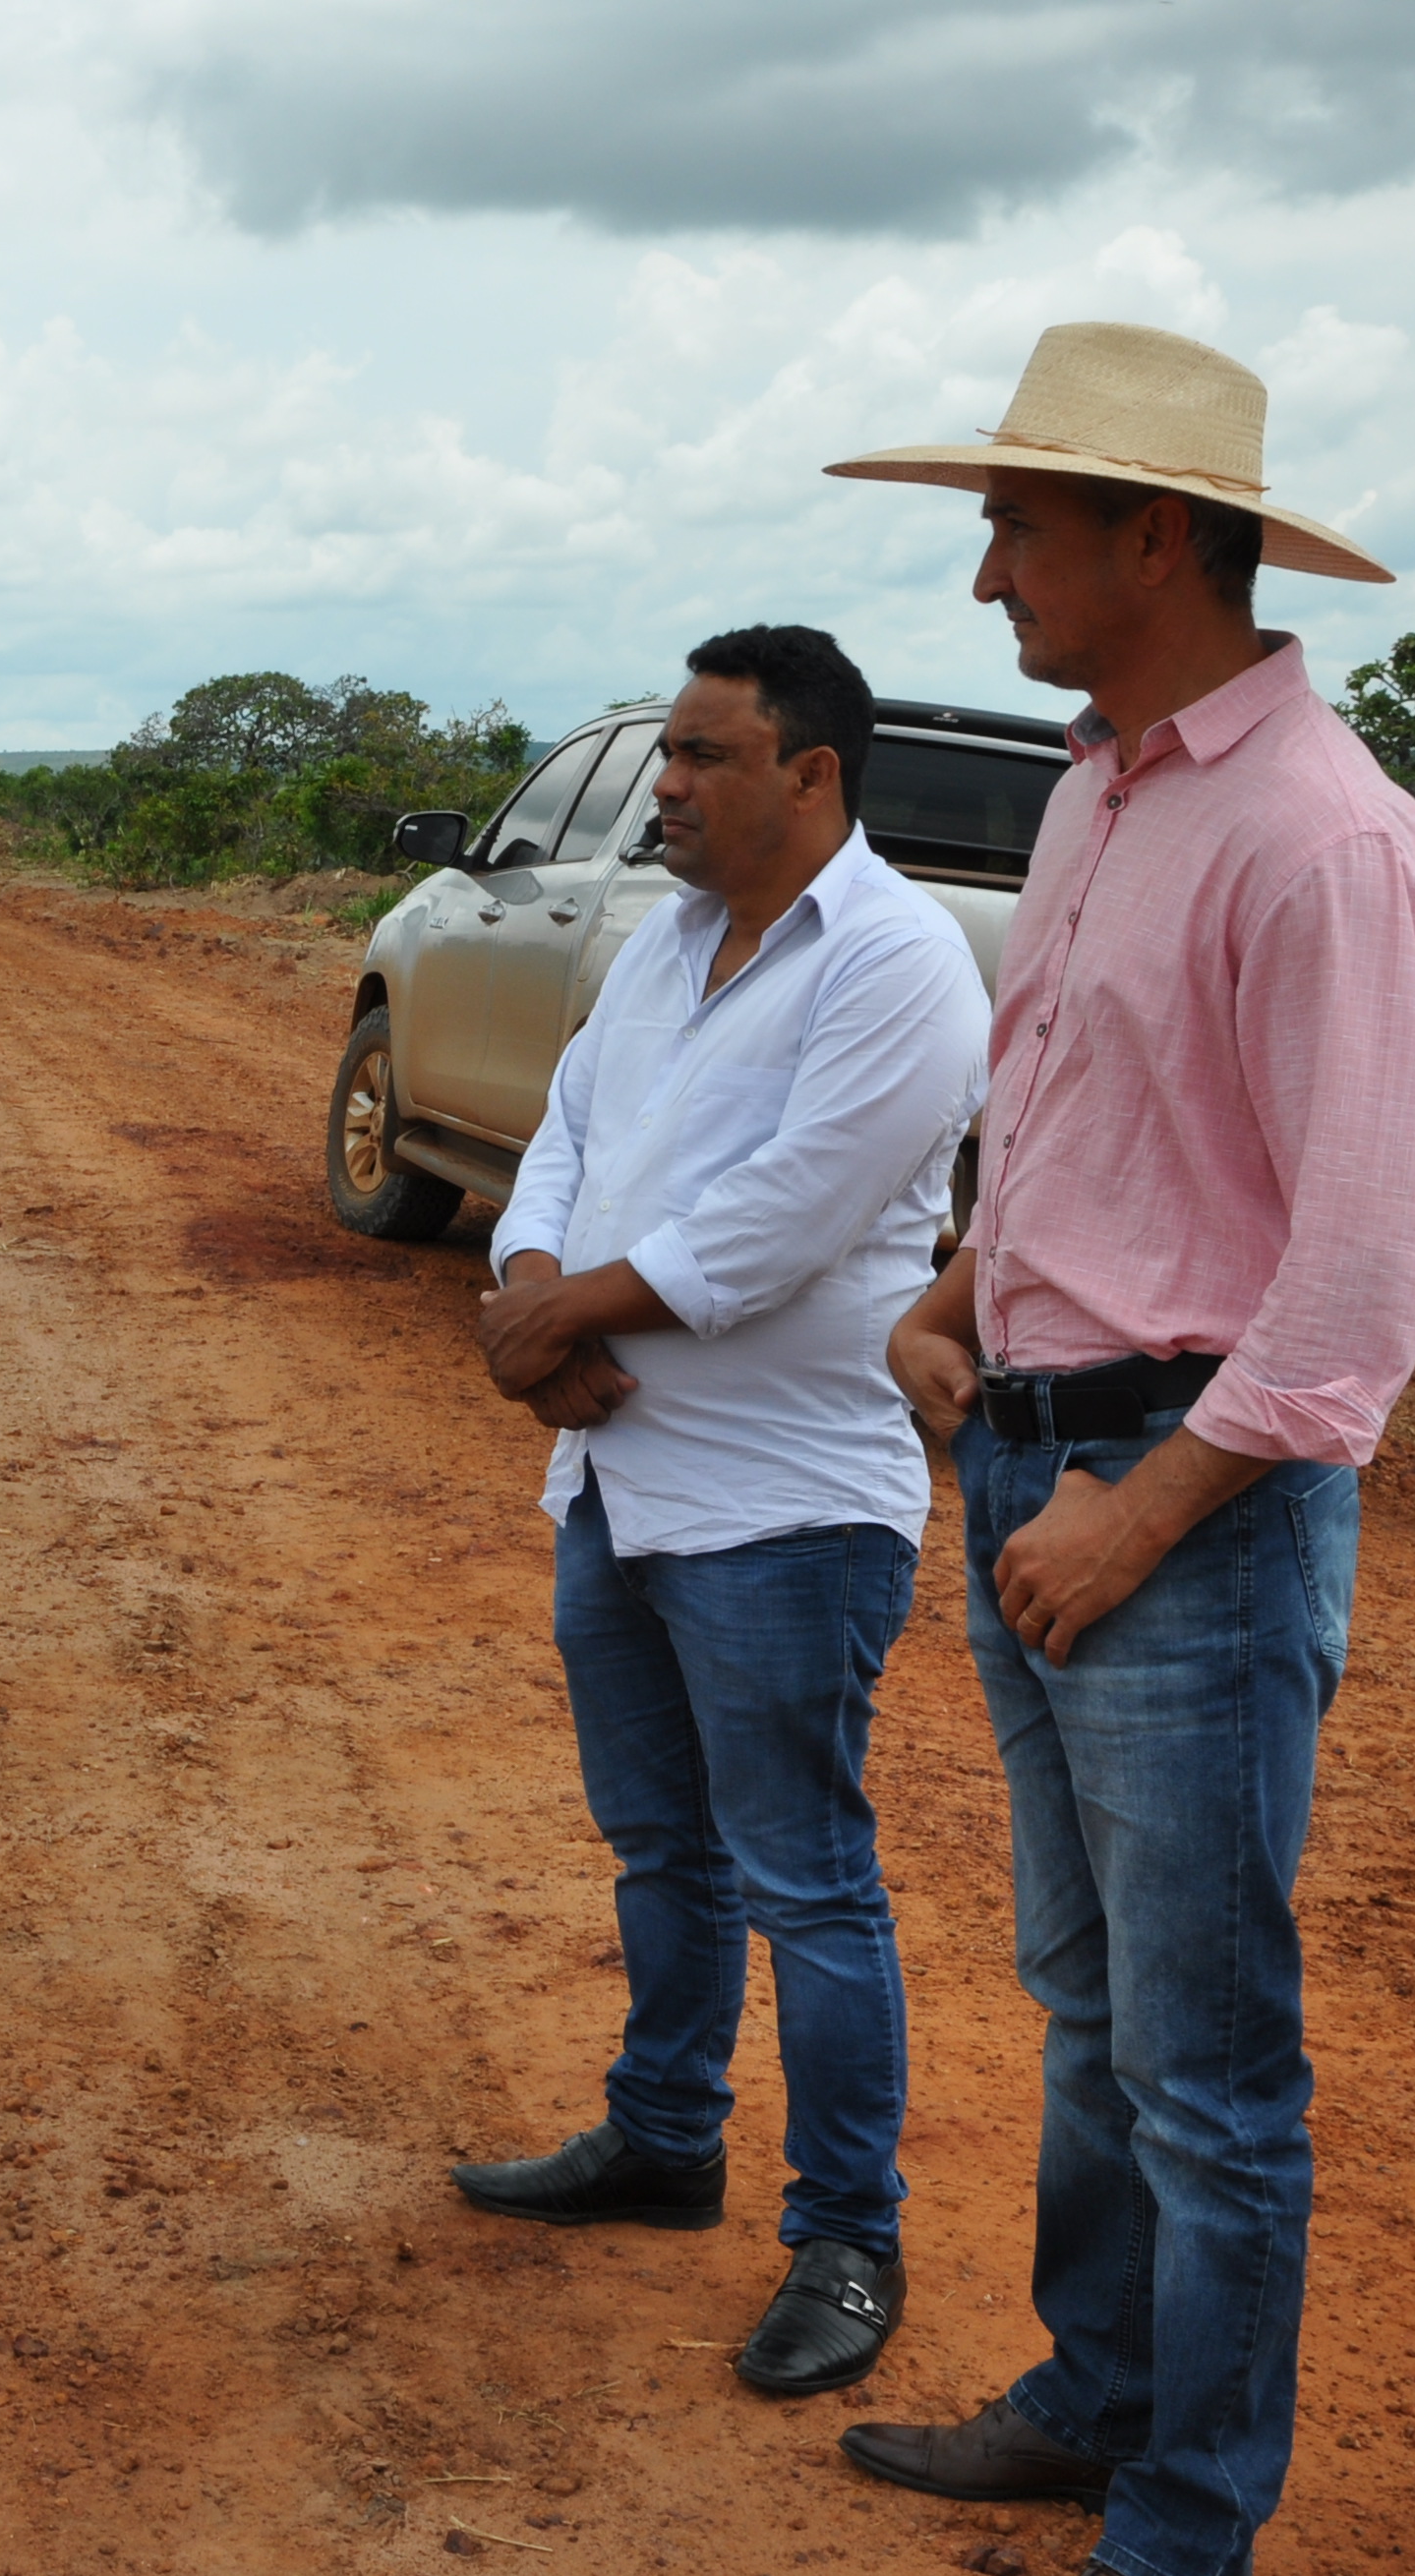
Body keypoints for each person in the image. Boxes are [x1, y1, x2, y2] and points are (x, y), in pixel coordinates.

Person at [830, 324, 1415, 2576]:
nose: (982, 559)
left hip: (1176, 1502)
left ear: (1152, 539)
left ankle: (1180, 2548)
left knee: (1205, 2066)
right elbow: (1078, 1119)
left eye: (1015, 518)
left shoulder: (1318, 831)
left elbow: (1367, 1250)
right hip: (1034, 1445)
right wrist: (954, 1289)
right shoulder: (1107, 794)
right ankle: (1093, 2391)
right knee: (1091, 2007)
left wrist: (1144, 1500)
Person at [448, 624, 990, 2398]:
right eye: (665, 755)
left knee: (809, 1880)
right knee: (662, 1851)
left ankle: (849, 2236)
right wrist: (535, 1297)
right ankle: (667, 2138)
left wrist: (558, 1318)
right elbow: (562, 1142)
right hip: (616, 1467)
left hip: (783, 1499)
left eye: (699, 755)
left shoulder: (900, 962)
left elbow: (787, 1221)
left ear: (808, 773)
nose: (662, 786)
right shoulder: (665, 942)